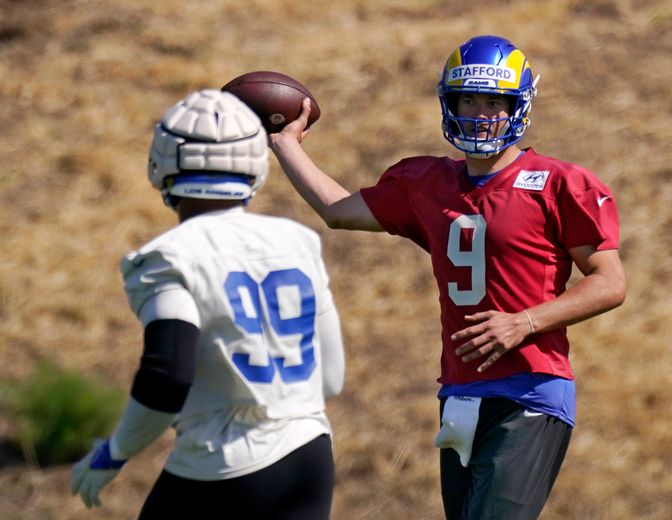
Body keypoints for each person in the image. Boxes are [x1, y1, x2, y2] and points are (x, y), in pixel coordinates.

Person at [269, 34, 626, 519]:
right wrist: (284, 143)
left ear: (517, 105)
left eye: (493, 101)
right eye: (469, 99)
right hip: (458, 391)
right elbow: (337, 210)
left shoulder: (558, 182)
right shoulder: (426, 182)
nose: (480, 112)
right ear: (449, 102)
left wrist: (524, 321)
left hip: (531, 387)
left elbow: (609, 282)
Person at [70, 89, 346, 519]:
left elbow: (167, 376)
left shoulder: (166, 257)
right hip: (309, 456)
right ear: (254, 165)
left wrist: (115, 452)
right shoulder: (299, 240)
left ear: (162, 162)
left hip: (222, 466)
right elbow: (330, 379)